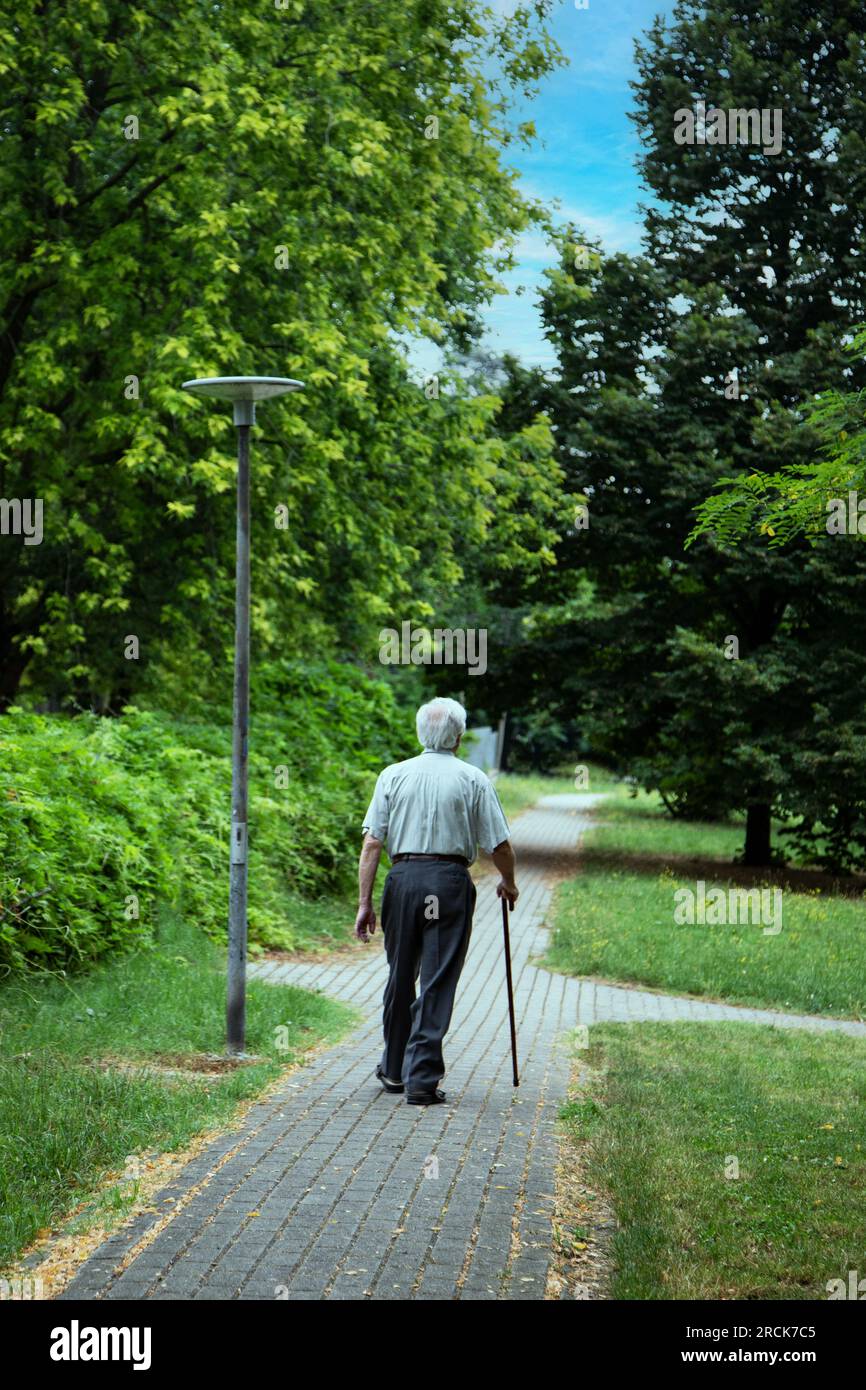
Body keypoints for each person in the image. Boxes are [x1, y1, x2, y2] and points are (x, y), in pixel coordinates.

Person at [354, 696, 518, 1106]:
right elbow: (499, 844)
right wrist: (509, 882)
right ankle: (421, 1081)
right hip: (448, 882)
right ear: (459, 739)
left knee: (400, 974)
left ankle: (393, 1070)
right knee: (437, 979)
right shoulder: (473, 779)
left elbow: (373, 843)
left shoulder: (393, 775)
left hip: (403, 880)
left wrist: (364, 903)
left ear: (419, 734)